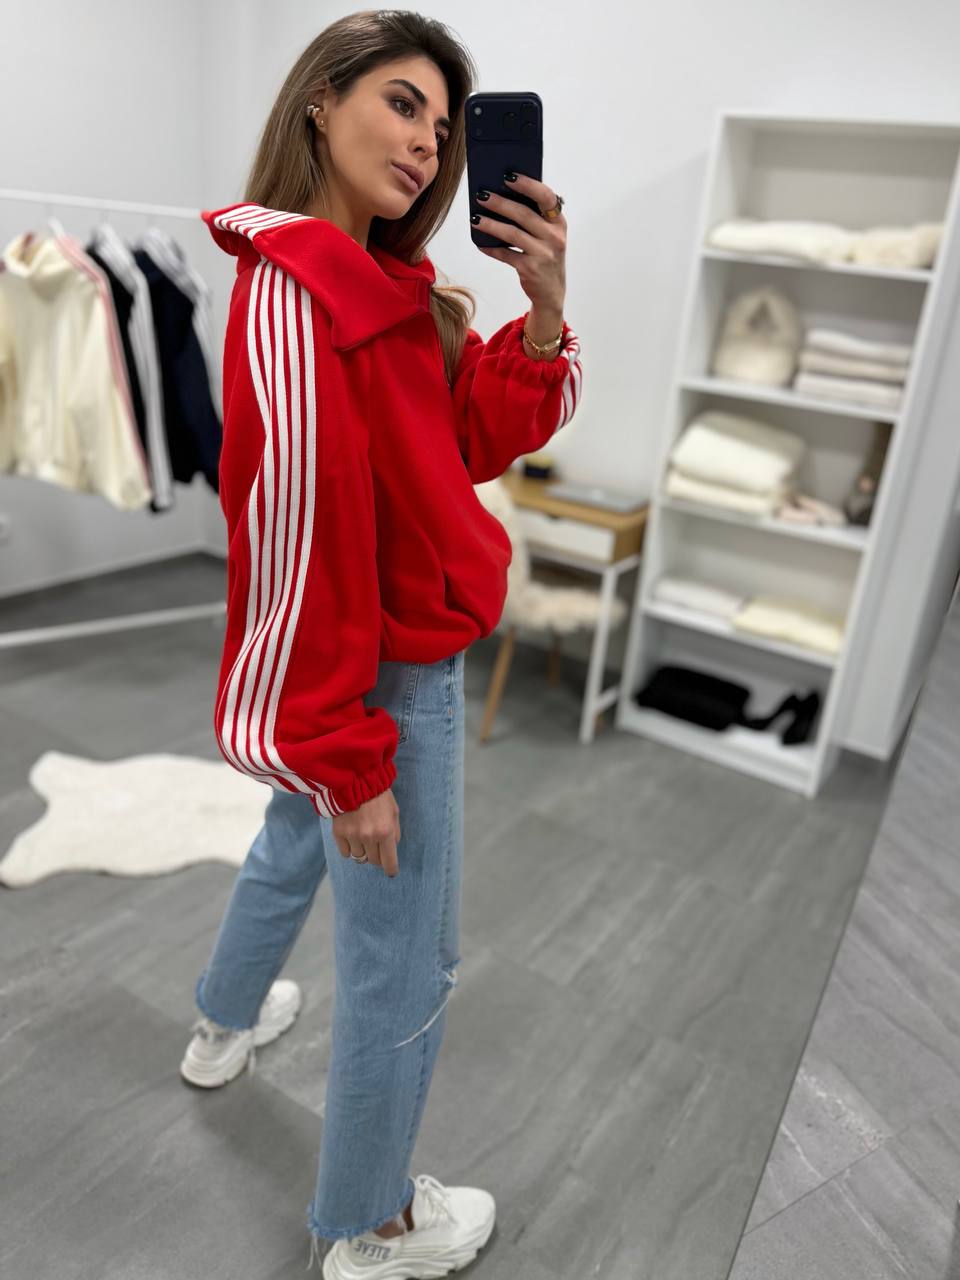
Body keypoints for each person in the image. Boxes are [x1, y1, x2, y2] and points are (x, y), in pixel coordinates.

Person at [177, 9, 583, 1277]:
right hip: (378, 682)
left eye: (443, 128)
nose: (427, 144)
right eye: (403, 104)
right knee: (403, 962)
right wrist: (348, 753)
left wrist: (542, 312)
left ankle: (220, 1024)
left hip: (361, 674)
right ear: (321, 100)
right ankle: (373, 1225)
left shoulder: (378, 289)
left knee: (289, 843)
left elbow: (462, 448)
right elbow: (293, 541)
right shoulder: (302, 295)